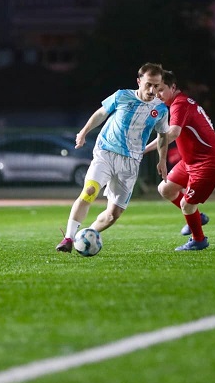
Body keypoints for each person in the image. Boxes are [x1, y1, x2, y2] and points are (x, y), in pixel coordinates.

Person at [56, 62, 170, 252]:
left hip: (131, 162)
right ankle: (68, 238)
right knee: (89, 191)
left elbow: (163, 135)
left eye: (156, 86)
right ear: (139, 81)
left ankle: (85, 236)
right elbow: (101, 113)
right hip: (106, 152)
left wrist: (162, 159)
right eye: (148, 84)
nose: (152, 90)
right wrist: (83, 132)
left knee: (113, 214)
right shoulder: (122, 96)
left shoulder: (161, 110)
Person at [144, 70, 215, 250]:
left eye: (160, 89)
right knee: (165, 189)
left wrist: (146, 150)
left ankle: (199, 240)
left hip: (208, 163)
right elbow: (168, 133)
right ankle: (196, 217)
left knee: (186, 205)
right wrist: (144, 149)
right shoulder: (179, 103)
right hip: (192, 161)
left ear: (173, 87)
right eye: (154, 89)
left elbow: (173, 133)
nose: (156, 94)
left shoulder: (179, 105)